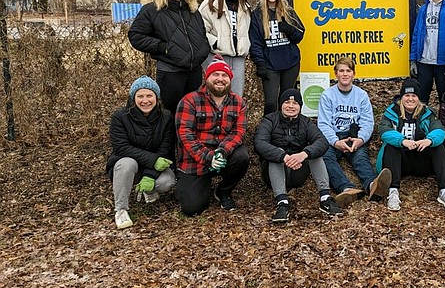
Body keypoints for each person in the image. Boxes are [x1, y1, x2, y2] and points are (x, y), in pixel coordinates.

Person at [128, 0, 210, 115]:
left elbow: (202, 34)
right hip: (170, 71)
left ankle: (187, 139)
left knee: (192, 113)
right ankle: (170, 139)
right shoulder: (152, 10)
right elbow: (136, 36)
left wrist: (203, 50)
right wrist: (162, 47)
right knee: (170, 114)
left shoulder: (193, 10)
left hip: (194, 72)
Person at [254, 89, 344, 223]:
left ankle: (325, 199)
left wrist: (303, 154)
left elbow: (322, 142)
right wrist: (283, 156)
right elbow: (259, 143)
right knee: (275, 153)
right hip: (273, 173)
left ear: (300, 106)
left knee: (314, 152)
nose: (291, 106)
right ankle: (282, 204)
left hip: (298, 172)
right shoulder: (269, 120)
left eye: (295, 103)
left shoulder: (306, 122)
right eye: (287, 102)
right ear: (280, 105)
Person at [174, 56, 249, 215]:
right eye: (215, 75)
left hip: (222, 155)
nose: (220, 79)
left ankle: (223, 191)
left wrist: (222, 151)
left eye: (224, 76)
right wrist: (208, 157)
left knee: (242, 156)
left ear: (230, 80)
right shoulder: (189, 101)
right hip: (195, 159)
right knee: (191, 208)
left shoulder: (238, 103)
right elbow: (185, 135)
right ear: (207, 77)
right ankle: (199, 185)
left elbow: (238, 133)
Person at [317, 56, 392, 208]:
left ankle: (372, 186)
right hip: (334, 137)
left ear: (353, 74)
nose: (345, 74)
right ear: (336, 74)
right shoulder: (327, 95)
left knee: (360, 159)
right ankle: (346, 188)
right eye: (341, 71)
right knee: (326, 159)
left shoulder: (361, 95)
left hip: (353, 136)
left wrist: (361, 139)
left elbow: (367, 122)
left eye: (348, 71)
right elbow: (323, 124)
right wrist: (335, 142)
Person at [375, 78, 445, 211]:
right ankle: (393, 191)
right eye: (407, 95)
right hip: (400, 163)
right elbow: (384, 131)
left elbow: (439, 130)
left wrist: (429, 140)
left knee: (438, 146)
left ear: (419, 98)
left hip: (421, 158)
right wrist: (402, 141)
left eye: (414, 96)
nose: (410, 99)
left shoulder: (427, 113)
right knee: (391, 146)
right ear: (401, 97)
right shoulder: (391, 112)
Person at [107, 76, 176, 229]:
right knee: (127, 163)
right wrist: (152, 161)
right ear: (133, 98)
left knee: (167, 181)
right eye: (140, 96)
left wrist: (150, 174)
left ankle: (149, 190)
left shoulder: (166, 117)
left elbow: (165, 149)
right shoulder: (119, 117)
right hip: (128, 165)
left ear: (156, 97)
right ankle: (121, 210)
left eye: (149, 95)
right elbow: (121, 147)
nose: (145, 100)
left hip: (154, 166)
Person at [249, 0, 305, 117]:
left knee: (287, 100)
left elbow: (300, 35)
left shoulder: (288, 11)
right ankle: (268, 130)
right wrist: (260, 62)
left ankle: (288, 131)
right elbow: (255, 42)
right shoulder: (257, 15)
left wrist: (289, 29)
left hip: (290, 63)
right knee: (271, 102)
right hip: (270, 65)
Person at [199, 0, 251, 97]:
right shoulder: (209, 5)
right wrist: (216, 43)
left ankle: (233, 117)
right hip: (216, 56)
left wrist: (246, 46)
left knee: (236, 95)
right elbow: (200, 30)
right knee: (215, 93)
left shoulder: (245, 7)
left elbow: (247, 31)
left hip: (237, 57)